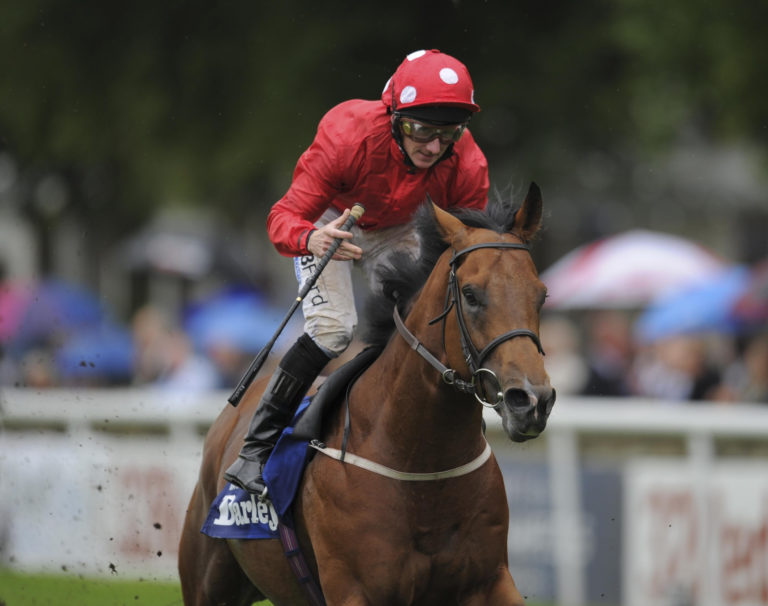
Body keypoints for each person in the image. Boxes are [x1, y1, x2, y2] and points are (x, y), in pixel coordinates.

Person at [224, 49, 490, 495]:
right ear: (393, 117)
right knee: (333, 331)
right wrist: (311, 238)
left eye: (448, 133)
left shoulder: (468, 163)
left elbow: (469, 250)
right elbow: (283, 217)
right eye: (420, 130)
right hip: (333, 220)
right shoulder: (346, 134)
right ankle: (256, 448)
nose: (432, 147)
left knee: (416, 327)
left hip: (400, 227)